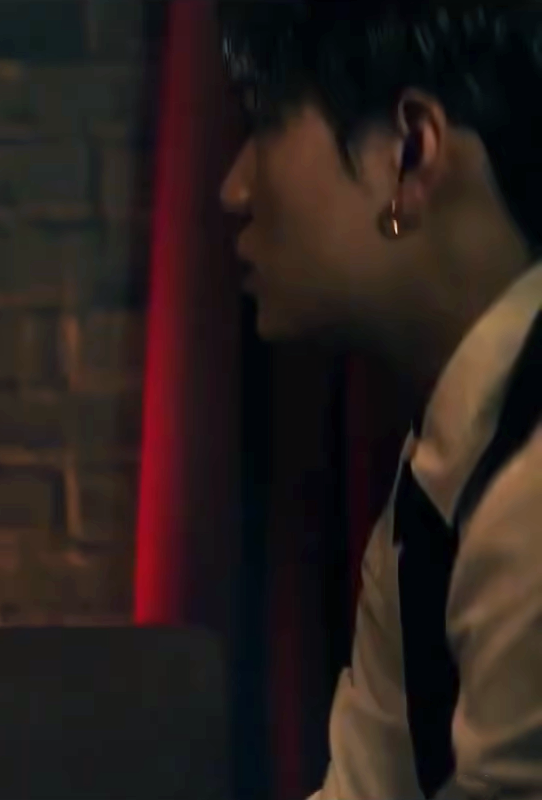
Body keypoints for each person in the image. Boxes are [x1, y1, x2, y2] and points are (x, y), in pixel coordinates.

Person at [217, 1, 542, 798]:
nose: (234, 188)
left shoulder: (529, 496)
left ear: (410, 154)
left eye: (266, 123)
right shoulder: (434, 484)